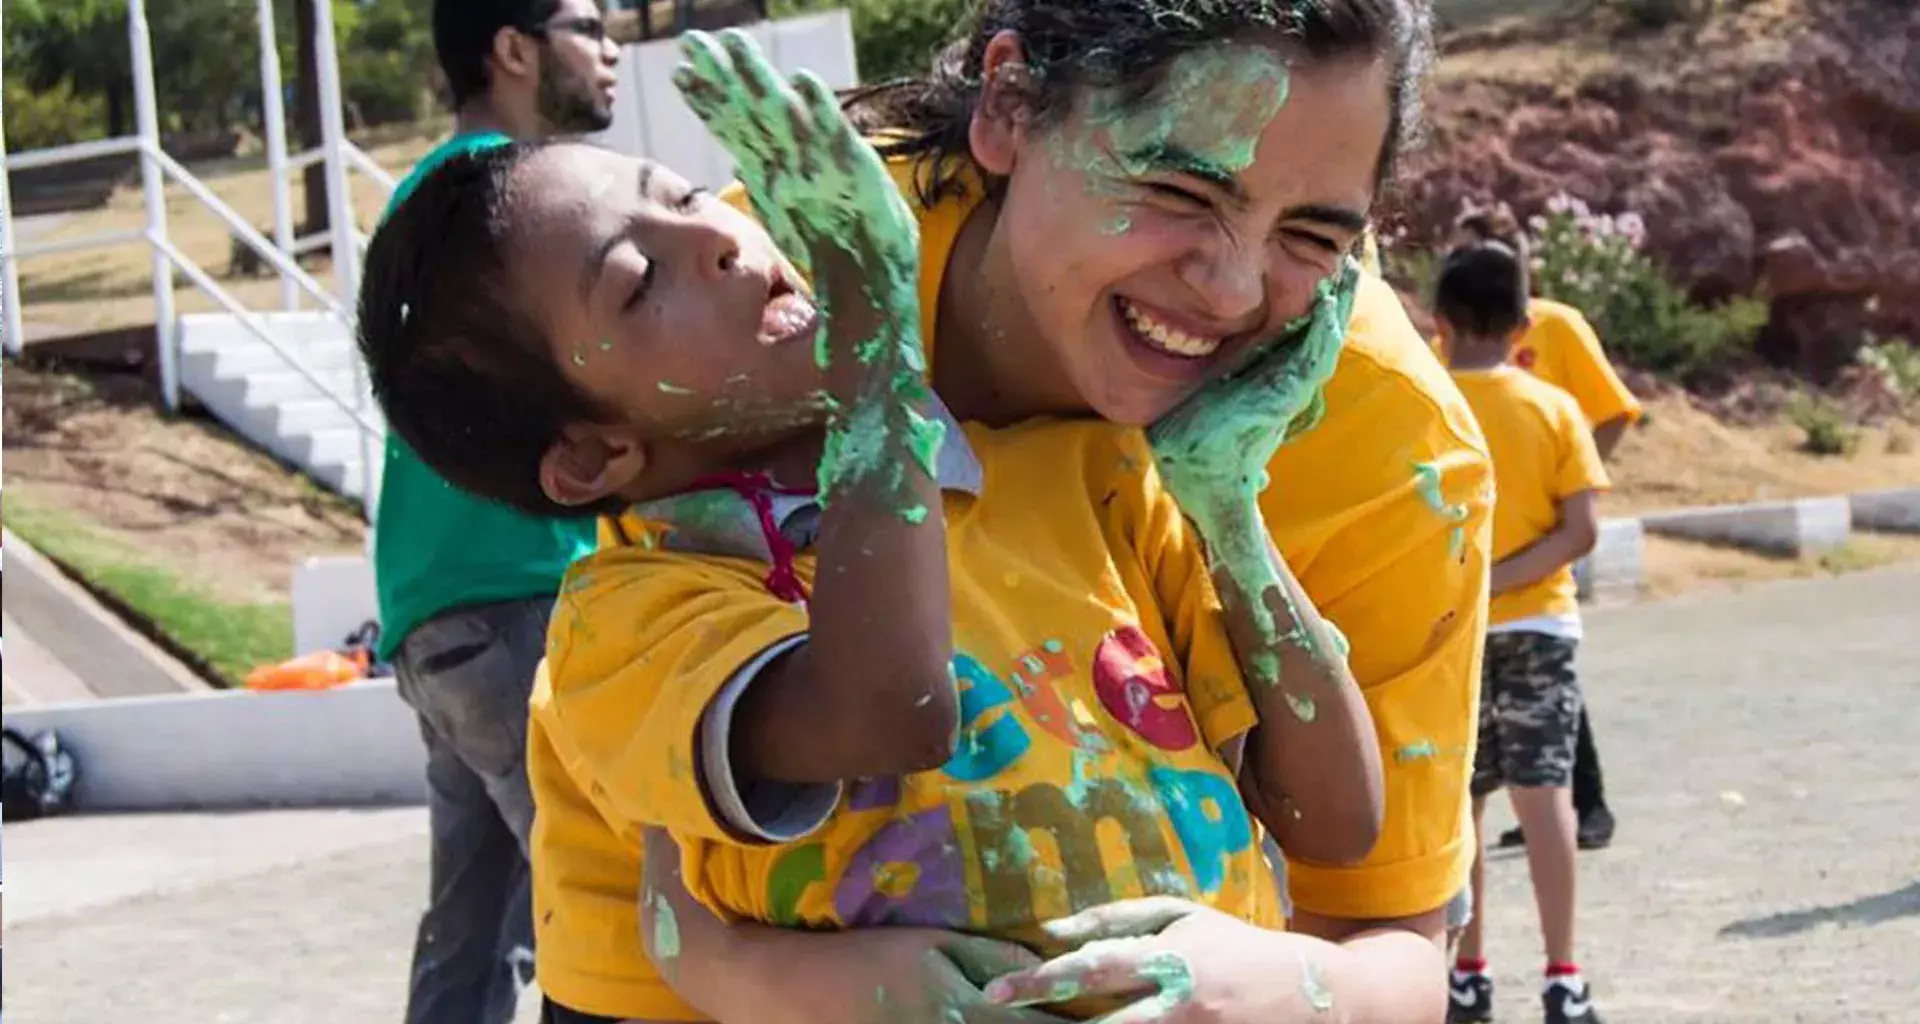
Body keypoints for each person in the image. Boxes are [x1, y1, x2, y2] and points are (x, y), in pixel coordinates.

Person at [356, 83, 1389, 1015]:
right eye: (639, 278)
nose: (716, 239)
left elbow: (1339, 820)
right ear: (590, 455)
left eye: (681, 195)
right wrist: (875, 354)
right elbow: (894, 710)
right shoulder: (626, 624)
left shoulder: (1083, 476)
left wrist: (1227, 509)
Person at [611, 5, 1492, 1022]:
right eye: (1176, 188)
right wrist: (753, 975)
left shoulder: (1392, 446)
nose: (1232, 288)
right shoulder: (784, 274)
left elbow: (1389, 924)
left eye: (1310, 235)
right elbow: (642, 843)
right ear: (1011, 102)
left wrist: (1304, 986)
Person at [375, 2, 616, 1022]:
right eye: (587, 24)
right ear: (514, 50)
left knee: (470, 942)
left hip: (440, 616)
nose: (611, 50)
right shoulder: (510, 193)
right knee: (605, 912)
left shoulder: (432, 193)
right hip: (516, 601)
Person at [1435, 242, 1609, 1024]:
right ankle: (1563, 976)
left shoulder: (1424, 402)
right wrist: (1510, 578)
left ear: (1437, 321)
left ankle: (1467, 971)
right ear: (1523, 320)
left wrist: (1473, 583)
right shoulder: (1553, 407)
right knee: (1547, 803)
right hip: (1541, 625)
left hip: (1449, 633)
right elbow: (1581, 530)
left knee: (1459, 806)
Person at [1448, 205, 1638, 851]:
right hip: (1476, 545)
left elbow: (1614, 410)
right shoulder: (1445, 356)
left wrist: (1575, 477)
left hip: (1538, 536)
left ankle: (1587, 804)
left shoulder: (1558, 326)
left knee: (1548, 685)